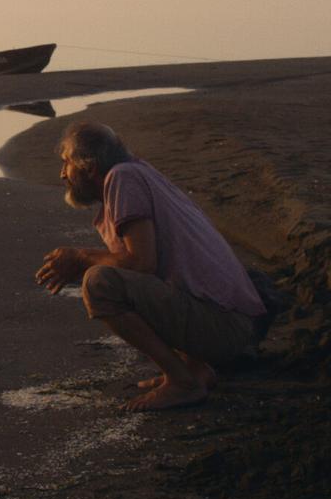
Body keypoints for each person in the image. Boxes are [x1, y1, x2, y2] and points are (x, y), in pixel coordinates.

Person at [34, 121, 265, 412]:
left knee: (99, 283)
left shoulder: (122, 178)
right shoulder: (136, 171)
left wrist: (81, 257)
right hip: (234, 322)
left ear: (89, 167)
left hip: (225, 328)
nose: (62, 174)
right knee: (117, 277)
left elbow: (141, 263)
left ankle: (182, 382)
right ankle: (194, 369)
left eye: (66, 163)